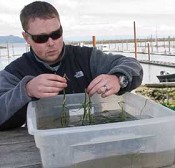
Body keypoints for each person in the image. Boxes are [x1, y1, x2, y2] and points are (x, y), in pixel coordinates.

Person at [0, 1, 143, 130]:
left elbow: (132, 65)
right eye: (41, 38)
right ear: (26, 38)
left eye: (56, 34)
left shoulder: (87, 57)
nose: (51, 42)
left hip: (93, 133)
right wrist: (26, 90)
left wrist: (117, 78)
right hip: (45, 145)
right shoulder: (15, 72)